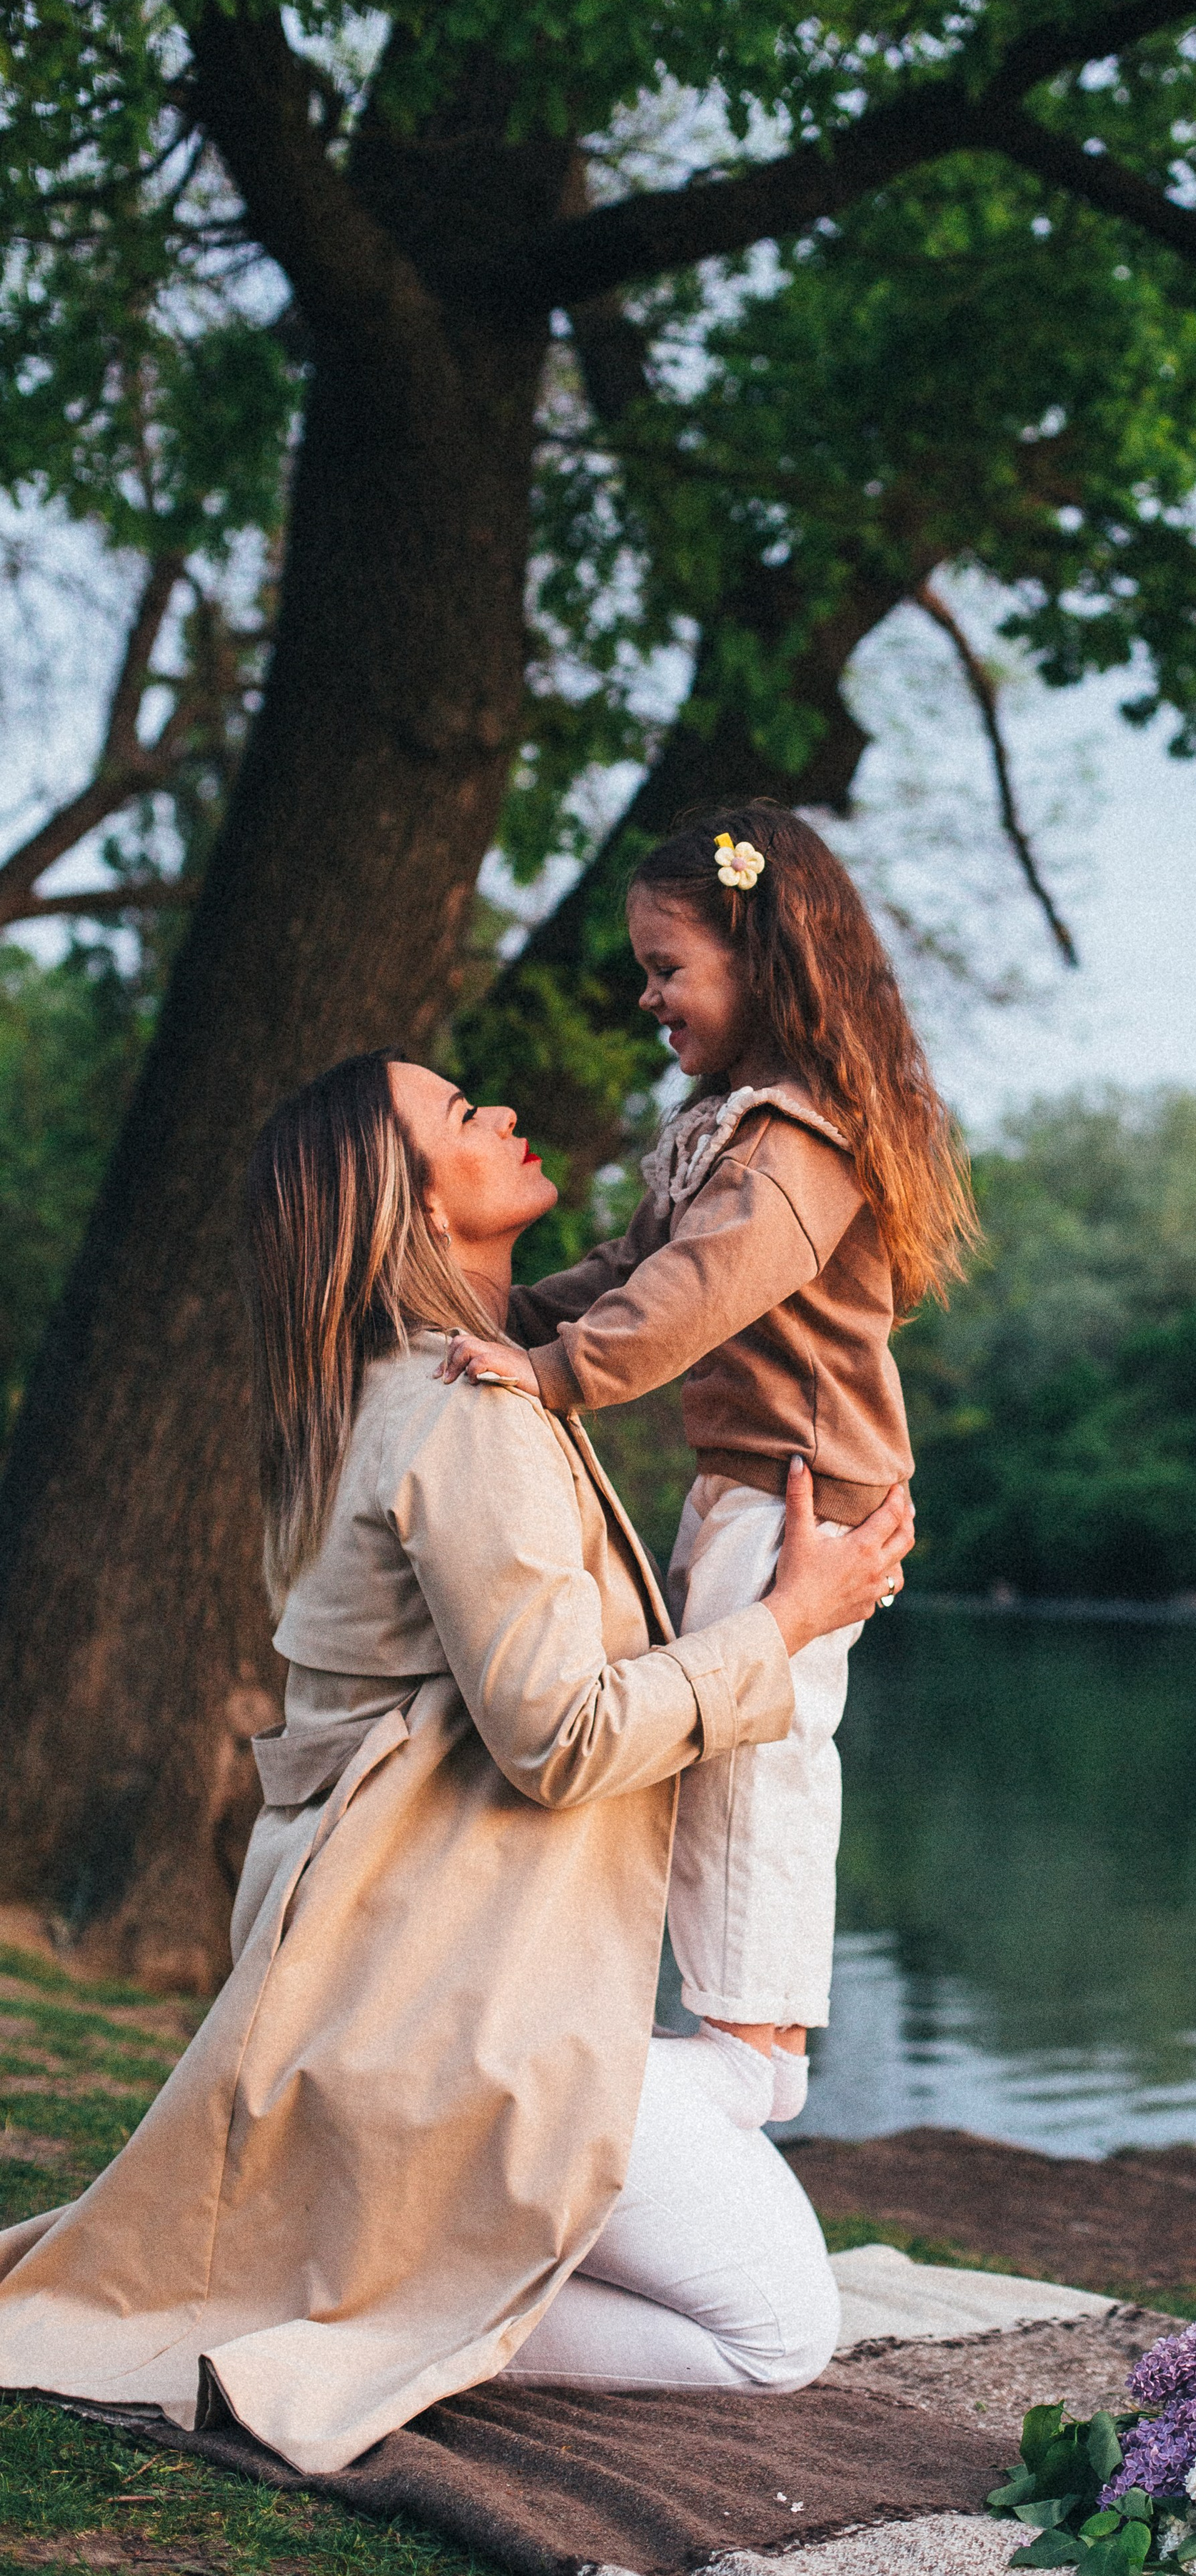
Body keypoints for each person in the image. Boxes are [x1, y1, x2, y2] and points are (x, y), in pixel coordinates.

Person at [0, 1049, 913, 2474]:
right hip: (451, 2028)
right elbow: (560, 1741)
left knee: (740, 2124)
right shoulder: (463, 1411)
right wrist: (794, 1620)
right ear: (411, 1213)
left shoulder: (370, 1398)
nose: (500, 1110)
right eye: (457, 1116)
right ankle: (371, 2315)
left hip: (365, 2006)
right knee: (778, 2334)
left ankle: (437, 2235)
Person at [438, 807, 975, 2123]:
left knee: (757, 1752)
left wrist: (556, 1376)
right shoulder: (724, 1128)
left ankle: (753, 2053)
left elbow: (699, 1293)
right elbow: (631, 1272)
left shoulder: (801, 1141)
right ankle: (728, 2031)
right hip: (749, 1477)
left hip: (805, 1487)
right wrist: (501, 1319)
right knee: (717, 1729)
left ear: (762, 957)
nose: (646, 995)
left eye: (669, 967)